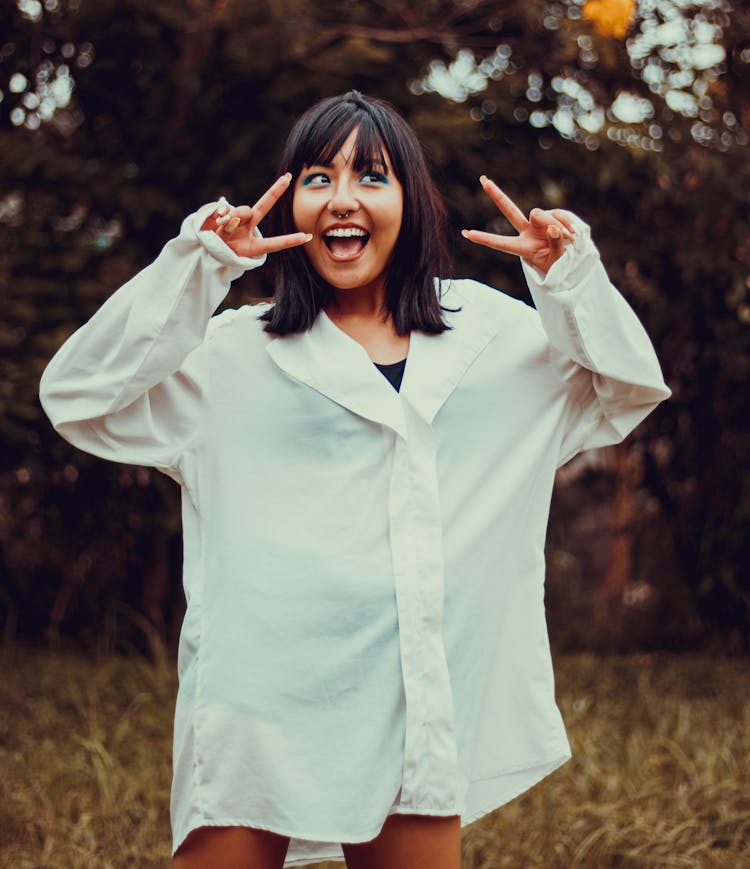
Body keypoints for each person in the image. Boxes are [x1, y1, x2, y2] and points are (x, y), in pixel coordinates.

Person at [40, 90, 670, 869]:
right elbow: (79, 396)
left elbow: (628, 387)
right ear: (291, 200)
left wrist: (571, 280)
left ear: (411, 199)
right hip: (258, 709)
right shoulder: (235, 354)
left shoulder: (497, 338)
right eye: (317, 176)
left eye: (371, 176)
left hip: (415, 706)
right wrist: (197, 270)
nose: (342, 199)